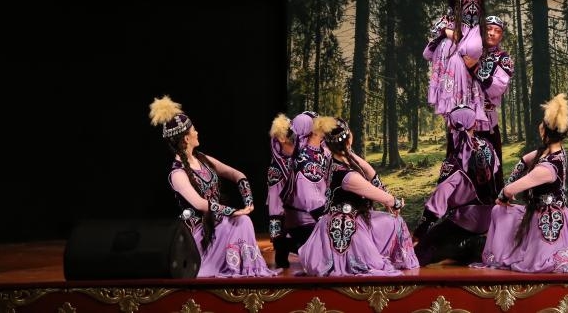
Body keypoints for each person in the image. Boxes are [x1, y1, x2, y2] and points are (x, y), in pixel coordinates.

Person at [477, 94, 568, 273]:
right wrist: (507, 192)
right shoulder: (550, 152)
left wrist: (504, 195)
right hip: (538, 214)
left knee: (542, 264)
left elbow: (512, 188)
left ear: (545, 131)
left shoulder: (547, 168)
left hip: (549, 222)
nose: (539, 126)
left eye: (542, 124)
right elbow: (523, 161)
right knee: (500, 211)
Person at [148, 95, 278, 278]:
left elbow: (237, 175)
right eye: (194, 130)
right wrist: (232, 211)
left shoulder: (202, 159)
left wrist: (248, 203)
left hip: (217, 221)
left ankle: (248, 269)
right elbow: (201, 205)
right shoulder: (177, 174)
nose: (197, 133)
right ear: (186, 138)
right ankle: (231, 269)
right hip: (201, 230)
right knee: (238, 222)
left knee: (244, 221)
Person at [297, 116, 419, 275]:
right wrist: (395, 202)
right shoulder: (347, 176)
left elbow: (369, 171)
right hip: (346, 227)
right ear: (348, 139)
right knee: (395, 222)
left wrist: (386, 196)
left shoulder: (337, 156)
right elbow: (378, 194)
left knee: (389, 221)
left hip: (348, 218)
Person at [424, 0, 490, 147]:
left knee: (472, 63)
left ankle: (471, 135)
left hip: (474, 34)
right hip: (457, 35)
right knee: (457, 71)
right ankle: (456, 131)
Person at [413, 104, 499, 266]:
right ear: (474, 124)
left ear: (451, 126)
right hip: (490, 219)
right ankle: (477, 245)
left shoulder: (454, 161)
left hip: (464, 221)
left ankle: (471, 246)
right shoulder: (489, 147)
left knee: (418, 256)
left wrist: (419, 233)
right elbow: (496, 178)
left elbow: (436, 205)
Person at [266, 110, 330, 269]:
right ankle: (283, 248)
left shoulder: (313, 150)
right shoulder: (279, 167)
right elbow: (275, 207)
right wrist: (277, 239)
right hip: (298, 218)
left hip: (311, 211)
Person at [465, 14, 512, 185]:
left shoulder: (503, 58)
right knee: (463, 168)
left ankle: (493, 207)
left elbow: (497, 88)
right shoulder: (468, 50)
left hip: (487, 124)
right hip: (463, 122)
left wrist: (475, 67)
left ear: (501, 36)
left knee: (490, 170)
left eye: (497, 31)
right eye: (489, 29)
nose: (492, 33)